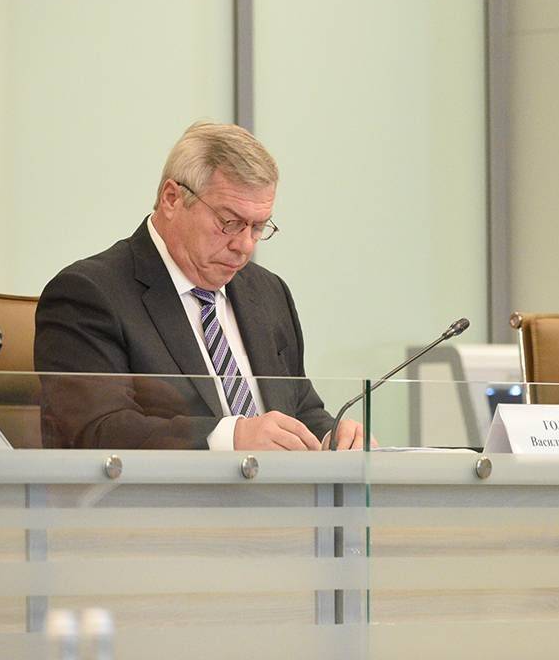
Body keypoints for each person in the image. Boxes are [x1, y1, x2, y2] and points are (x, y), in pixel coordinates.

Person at [35, 120, 365, 451]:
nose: (245, 246)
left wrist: (331, 437)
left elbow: (301, 408)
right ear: (172, 199)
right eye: (229, 222)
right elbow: (97, 430)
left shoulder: (269, 292)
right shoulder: (89, 294)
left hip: (282, 486)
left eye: (258, 227)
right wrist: (231, 438)